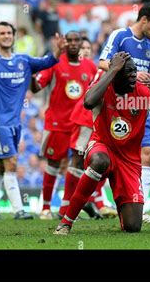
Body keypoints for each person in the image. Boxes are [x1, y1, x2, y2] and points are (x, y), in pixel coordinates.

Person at [54, 52, 150, 235]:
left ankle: (121, 206)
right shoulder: (104, 87)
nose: (133, 76)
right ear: (115, 74)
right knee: (100, 161)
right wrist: (112, 69)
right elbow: (88, 103)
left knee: (133, 227)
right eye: (128, 72)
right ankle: (66, 222)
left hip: (129, 161)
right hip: (101, 146)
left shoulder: (143, 93)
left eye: (134, 71)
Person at [0, 21, 65, 219]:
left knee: (1, 165)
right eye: (2, 33)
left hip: (15, 123)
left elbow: (48, 62)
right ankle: (19, 210)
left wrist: (58, 50)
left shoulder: (24, 60)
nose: (7, 35)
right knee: (11, 162)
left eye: (9, 32)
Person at [99, 1, 150, 224]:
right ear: (144, 19)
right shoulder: (121, 36)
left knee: (148, 153)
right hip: (117, 105)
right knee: (110, 156)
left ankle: (142, 206)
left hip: (141, 104)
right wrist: (133, 73)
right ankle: (99, 200)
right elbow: (102, 63)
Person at [30, 31, 97, 220]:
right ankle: (45, 208)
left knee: (79, 165)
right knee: (53, 164)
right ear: (64, 43)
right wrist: (30, 75)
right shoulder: (54, 63)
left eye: (78, 40)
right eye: (70, 40)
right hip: (57, 123)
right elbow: (36, 86)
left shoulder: (90, 66)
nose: (74, 44)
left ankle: (68, 208)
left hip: (81, 124)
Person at [67, 37, 117, 219]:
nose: (86, 51)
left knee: (99, 162)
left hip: (96, 122)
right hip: (83, 119)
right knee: (77, 161)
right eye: (83, 48)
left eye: (89, 47)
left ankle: (95, 202)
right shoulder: (102, 70)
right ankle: (66, 206)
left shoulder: (95, 69)